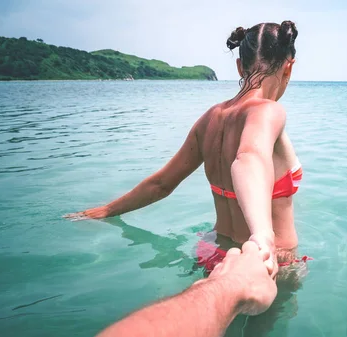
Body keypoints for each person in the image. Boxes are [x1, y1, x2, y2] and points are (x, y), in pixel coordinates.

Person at [65, 20, 303, 278]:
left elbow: (161, 184)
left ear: (239, 66)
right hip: (265, 260)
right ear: (288, 68)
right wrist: (262, 236)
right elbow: (248, 158)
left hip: (212, 252)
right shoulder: (269, 111)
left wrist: (105, 210)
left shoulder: (211, 118)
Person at [97, 241, 278, 337]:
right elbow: (263, 235)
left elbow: (160, 185)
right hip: (256, 263)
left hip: (216, 252)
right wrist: (236, 283)